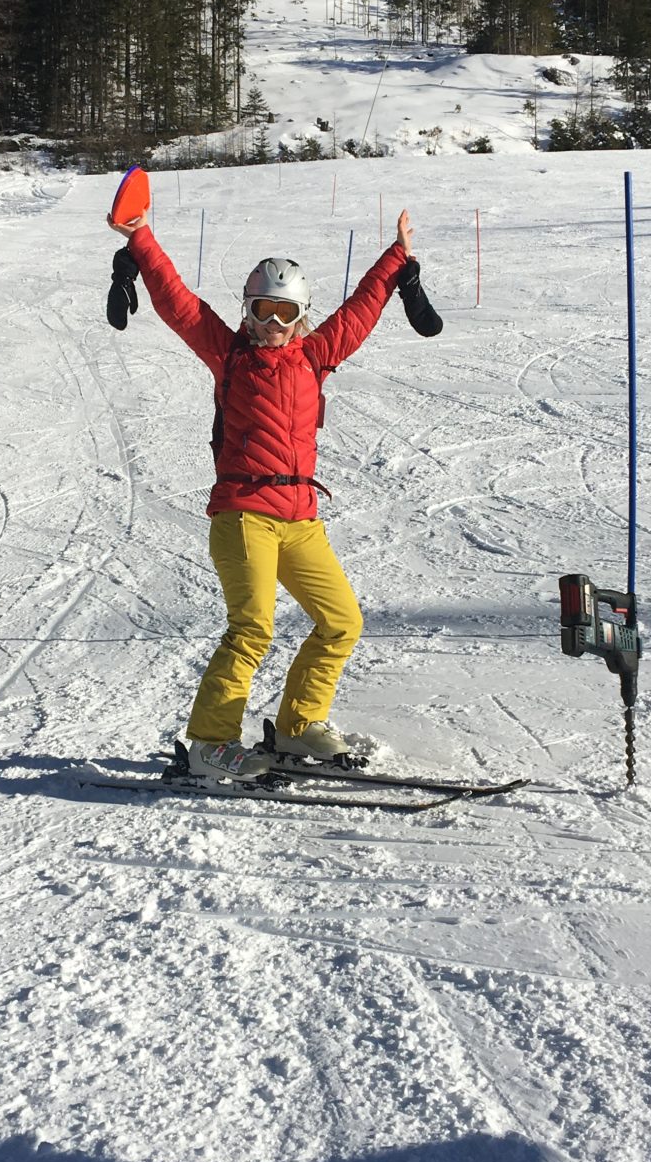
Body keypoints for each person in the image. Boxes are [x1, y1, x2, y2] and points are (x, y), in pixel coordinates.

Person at [107, 201, 427, 782]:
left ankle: (299, 728)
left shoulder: (316, 356)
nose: (274, 323)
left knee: (341, 621)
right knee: (252, 627)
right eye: (263, 310)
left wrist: (397, 255)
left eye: (285, 311)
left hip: (301, 516)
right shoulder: (227, 353)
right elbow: (178, 302)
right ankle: (209, 745)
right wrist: (141, 238)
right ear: (248, 312)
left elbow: (360, 310)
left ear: (301, 314)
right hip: (243, 514)